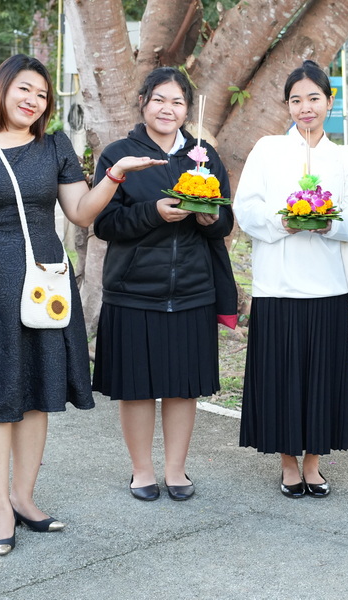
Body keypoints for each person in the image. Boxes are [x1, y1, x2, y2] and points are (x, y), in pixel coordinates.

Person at [0, 54, 163, 555]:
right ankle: (0, 508)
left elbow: (80, 212)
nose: (33, 100)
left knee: (36, 390)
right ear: (1, 88)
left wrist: (114, 175)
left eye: (42, 94)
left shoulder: (54, 146)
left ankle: (24, 498)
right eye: (25, 89)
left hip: (45, 284)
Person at [92, 67, 236, 503]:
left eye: (177, 101)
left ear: (187, 110)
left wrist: (210, 219)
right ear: (143, 103)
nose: (167, 109)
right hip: (133, 290)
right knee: (136, 388)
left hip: (192, 289)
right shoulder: (119, 155)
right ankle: (142, 471)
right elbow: (104, 223)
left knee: (182, 387)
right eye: (159, 99)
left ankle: (175, 470)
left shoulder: (203, 156)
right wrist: (154, 212)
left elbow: (225, 221)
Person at [234, 60, 348, 498]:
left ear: (330, 102)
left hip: (327, 287)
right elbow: (245, 209)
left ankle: (313, 463)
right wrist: (283, 222)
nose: (305, 107)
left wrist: (328, 222)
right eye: (296, 100)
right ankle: (288, 464)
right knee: (280, 379)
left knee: (321, 381)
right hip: (276, 286)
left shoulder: (346, 158)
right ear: (287, 106)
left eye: (314, 98)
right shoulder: (267, 150)